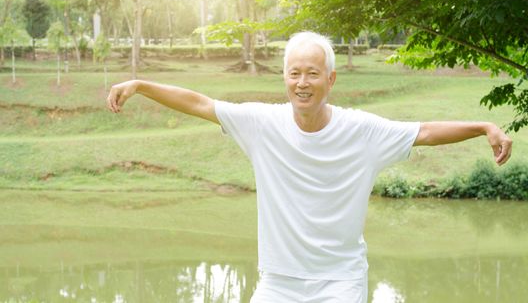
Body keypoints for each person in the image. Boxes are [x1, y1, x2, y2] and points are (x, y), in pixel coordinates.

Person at [106, 31, 512, 302]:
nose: (302, 82)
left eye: (312, 73)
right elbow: (200, 103)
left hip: (340, 283)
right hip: (277, 283)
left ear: (330, 79)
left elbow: (423, 131)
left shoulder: (362, 131)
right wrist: (141, 85)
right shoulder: (261, 123)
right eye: (294, 73)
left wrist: (482, 126)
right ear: (284, 78)